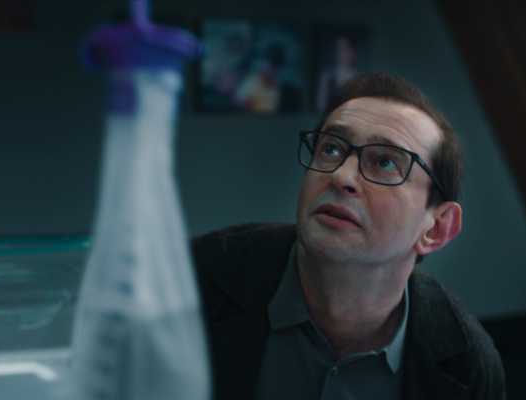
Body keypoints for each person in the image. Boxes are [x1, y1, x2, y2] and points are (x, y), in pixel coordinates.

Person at [192, 72, 506, 400]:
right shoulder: (200, 277)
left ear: (437, 229)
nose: (341, 176)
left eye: (385, 162)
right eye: (330, 149)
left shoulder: (467, 364)